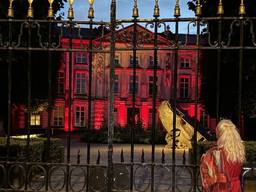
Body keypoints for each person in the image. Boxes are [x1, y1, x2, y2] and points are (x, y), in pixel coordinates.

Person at [200, 119, 245, 192]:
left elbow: (208, 177)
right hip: (236, 187)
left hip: (221, 188)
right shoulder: (239, 150)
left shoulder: (216, 152)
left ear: (220, 134)